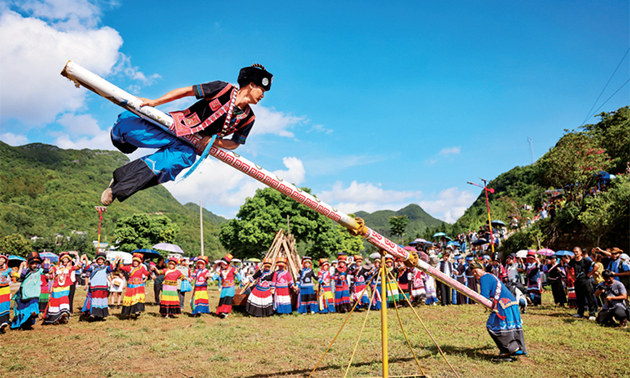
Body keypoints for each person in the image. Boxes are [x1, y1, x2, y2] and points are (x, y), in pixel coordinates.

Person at [101, 64, 273, 206]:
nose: (263, 95)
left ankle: (117, 186)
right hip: (177, 126)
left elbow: (235, 143)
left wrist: (214, 142)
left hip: (191, 146)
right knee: (128, 126)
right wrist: (155, 102)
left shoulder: (249, 118)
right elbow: (186, 92)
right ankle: (121, 139)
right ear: (251, 85)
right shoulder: (223, 89)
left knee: (167, 166)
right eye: (262, 90)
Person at [469, 261, 527, 362]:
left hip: (503, 304)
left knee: (493, 326)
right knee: (510, 326)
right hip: (511, 303)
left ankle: (509, 349)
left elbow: (484, 296)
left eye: (476, 271)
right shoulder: (490, 276)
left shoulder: (484, 277)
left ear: (482, 270)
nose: (475, 274)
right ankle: (515, 348)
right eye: (472, 272)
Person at [11, 253, 50, 329]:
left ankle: (33, 313)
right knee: (23, 308)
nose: (34, 265)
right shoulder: (26, 270)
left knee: (34, 305)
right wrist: (22, 268)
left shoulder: (39, 270)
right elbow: (19, 279)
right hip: (25, 293)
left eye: (36, 263)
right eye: (32, 263)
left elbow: (45, 271)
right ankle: (24, 323)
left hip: (35, 293)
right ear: (29, 263)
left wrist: (46, 265)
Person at [43, 251, 83, 325]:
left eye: (66, 259)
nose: (65, 260)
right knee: (55, 301)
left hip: (65, 287)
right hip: (56, 287)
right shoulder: (56, 267)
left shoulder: (69, 268)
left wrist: (81, 258)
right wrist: (47, 264)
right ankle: (54, 317)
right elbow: (49, 271)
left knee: (64, 299)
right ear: (61, 260)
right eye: (64, 259)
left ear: (69, 260)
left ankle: (64, 314)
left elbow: (78, 267)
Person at [82, 252, 118, 320]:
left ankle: (100, 314)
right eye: (99, 260)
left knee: (101, 301)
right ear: (97, 260)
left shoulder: (106, 268)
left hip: (103, 287)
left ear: (104, 261)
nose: (100, 261)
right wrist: (86, 259)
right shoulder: (93, 267)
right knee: (95, 300)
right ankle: (93, 313)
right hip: (94, 287)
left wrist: (115, 260)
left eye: (101, 260)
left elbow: (112, 267)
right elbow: (87, 268)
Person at [119, 253, 150, 318]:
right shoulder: (129, 268)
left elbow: (146, 273)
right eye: (134, 261)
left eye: (137, 261)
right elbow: (121, 267)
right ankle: (130, 313)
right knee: (131, 299)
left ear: (139, 262)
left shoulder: (142, 268)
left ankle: (137, 311)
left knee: (137, 299)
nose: (135, 263)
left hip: (139, 286)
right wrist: (121, 260)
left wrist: (151, 271)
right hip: (131, 286)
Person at [569, 247, 596, 320]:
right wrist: (572, 276)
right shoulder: (572, 261)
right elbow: (568, 268)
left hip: (586, 281)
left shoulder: (586, 260)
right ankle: (580, 313)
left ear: (581, 252)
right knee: (579, 298)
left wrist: (590, 273)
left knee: (589, 297)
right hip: (578, 281)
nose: (575, 253)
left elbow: (596, 266)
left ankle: (592, 313)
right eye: (574, 252)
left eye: (577, 252)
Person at [212, 254, 241, 318]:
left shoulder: (232, 269)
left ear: (227, 264)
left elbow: (238, 275)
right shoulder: (221, 270)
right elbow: (215, 275)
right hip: (224, 287)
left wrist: (241, 280)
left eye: (224, 264)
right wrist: (211, 277)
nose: (223, 265)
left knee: (228, 299)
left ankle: (225, 312)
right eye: (222, 264)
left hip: (231, 287)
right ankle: (221, 311)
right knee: (223, 299)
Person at [0, 254, 12, 331]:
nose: (0, 261)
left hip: (5, 289)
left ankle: (3, 322)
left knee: (4, 305)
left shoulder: (8, 270)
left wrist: (22, 268)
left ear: (5, 261)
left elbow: (17, 275)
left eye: (2, 259)